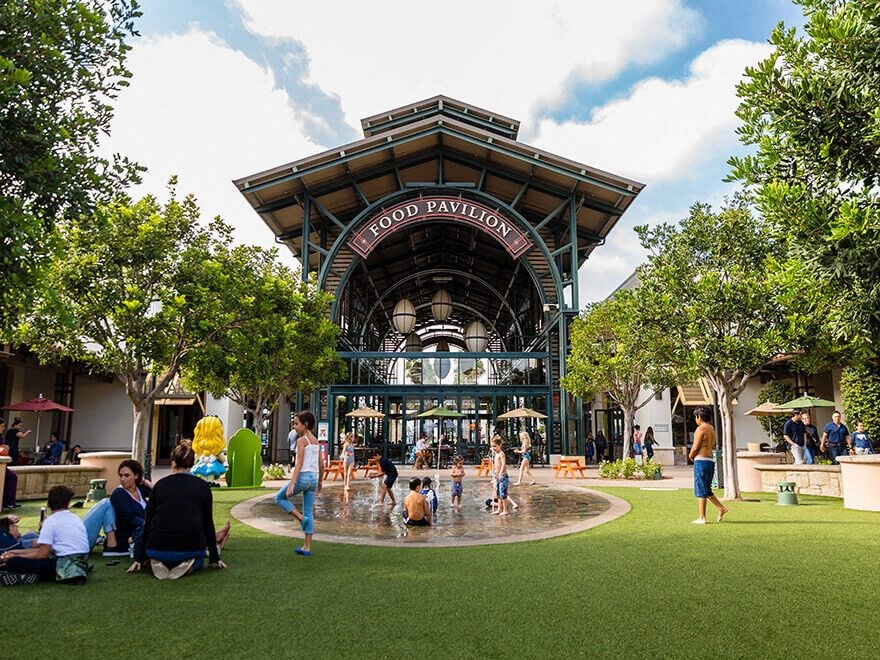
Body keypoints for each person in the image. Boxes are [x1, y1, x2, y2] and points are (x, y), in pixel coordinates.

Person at [128, 444, 227, 579]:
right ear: (193, 464)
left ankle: (156, 562)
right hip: (189, 549)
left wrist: (139, 558)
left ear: (173, 463)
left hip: (156, 549)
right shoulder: (203, 487)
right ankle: (192, 564)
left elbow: (148, 523)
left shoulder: (160, 485)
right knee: (200, 557)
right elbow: (207, 524)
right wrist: (215, 558)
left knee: (161, 551)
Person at [0, 485, 91, 586]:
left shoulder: (50, 522)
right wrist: (16, 552)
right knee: (19, 559)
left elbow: (42, 555)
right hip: (82, 560)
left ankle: (30, 576)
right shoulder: (75, 518)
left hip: (62, 564)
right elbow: (47, 550)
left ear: (48, 503)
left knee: (13, 562)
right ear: (68, 504)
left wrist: (15, 557)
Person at [274, 410, 324, 556]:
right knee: (309, 511)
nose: (294, 427)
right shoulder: (316, 441)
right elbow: (321, 465)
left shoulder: (302, 441)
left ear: (305, 424)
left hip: (303, 477)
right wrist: (320, 482)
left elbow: (299, 463)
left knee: (279, 498)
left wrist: (292, 483)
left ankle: (301, 518)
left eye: (296, 424)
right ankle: (306, 547)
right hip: (313, 478)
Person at [689, 407, 728, 525]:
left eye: (696, 417)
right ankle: (721, 508)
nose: (696, 419)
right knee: (706, 489)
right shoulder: (711, 428)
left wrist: (691, 456)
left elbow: (695, 446)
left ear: (699, 417)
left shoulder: (701, 428)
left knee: (701, 489)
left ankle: (702, 517)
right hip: (710, 460)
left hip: (701, 460)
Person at [1, 419, 21, 511]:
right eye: (1, 426)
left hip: (2, 465)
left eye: (3, 426)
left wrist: (5, 448)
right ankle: (7, 502)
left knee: (12, 477)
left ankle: (9, 502)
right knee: (12, 477)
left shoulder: (1, 437)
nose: (3, 428)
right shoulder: (12, 432)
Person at [491, 436, 510, 516]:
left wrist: (500, 473)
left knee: (503, 494)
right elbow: (495, 465)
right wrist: (495, 474)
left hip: (503, 476)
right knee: (498, 493)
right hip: (497, 476)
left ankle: (505, 510)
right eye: (492, 446)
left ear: (500, 445)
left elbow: (503, 464)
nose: (493, 448)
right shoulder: (496, 454)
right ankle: (499, 509)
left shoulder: (501, 454)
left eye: (495, 446)